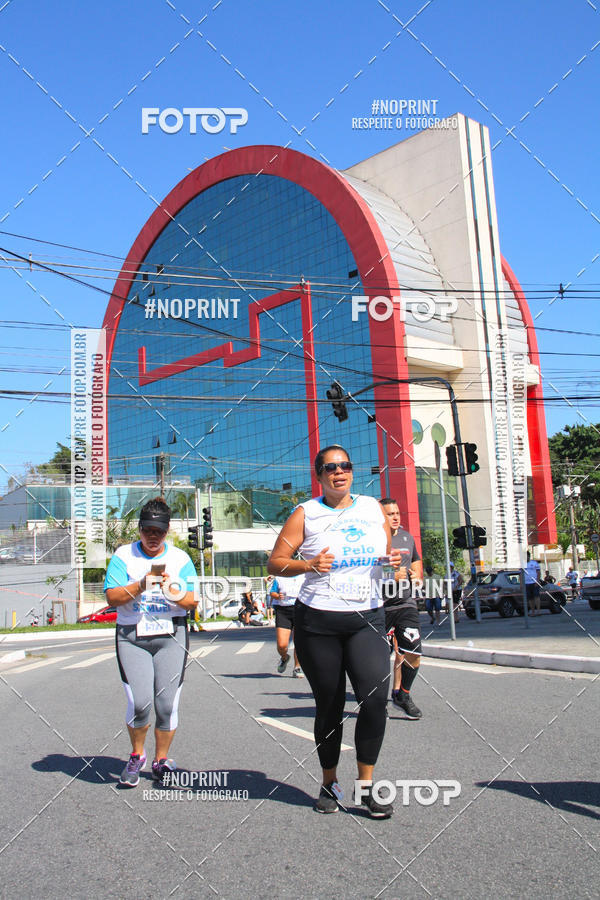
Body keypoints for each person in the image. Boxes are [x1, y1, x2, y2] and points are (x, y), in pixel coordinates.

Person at [268, 445, 401, 819]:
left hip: (367, 617)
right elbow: (276, 563)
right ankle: (329, 783)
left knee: (374, 699)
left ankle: (366, 787)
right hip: (318, 622)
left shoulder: (372, 508)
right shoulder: (306, 513)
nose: (338, 472)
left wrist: (389, 562)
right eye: (330, 468)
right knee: (330, 705)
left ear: (352, 471)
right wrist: (308, 565)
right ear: (320, 475)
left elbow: (386, 555)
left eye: (344, 466)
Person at [104, 497, 198, 787]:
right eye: (147, 531)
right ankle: (136, 756)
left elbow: (192, 602)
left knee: (166, 705)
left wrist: (172, 591)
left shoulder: (181, 559)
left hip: (171, 635)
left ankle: (161, 760)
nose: (152, 537)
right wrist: (142, 584)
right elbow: (112, 598)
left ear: (167, 531)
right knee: (141, 702)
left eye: (158, 531)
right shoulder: (124, 555)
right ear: (140, 529)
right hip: (132, 636)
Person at [379, 499, 424, 718]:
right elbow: (365, 567)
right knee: (377, 660)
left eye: (397, 512)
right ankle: (376, 701)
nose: (396, 517)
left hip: (406, 604)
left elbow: (416, 565)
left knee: (413, 652)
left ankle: (402, 694)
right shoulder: (374, 538)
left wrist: (417, 578)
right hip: (379, 607)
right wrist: (389, 574)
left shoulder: (407, 537)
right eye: (390, 514)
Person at [270, 573, 304, 677]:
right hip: (283, 611)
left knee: (298, 642)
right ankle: (284, 658)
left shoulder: (303, 576)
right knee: (282, 645)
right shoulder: (279, 578)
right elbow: (272, 592)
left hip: (300, 610)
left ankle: (297, 667)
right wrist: (277, 595)